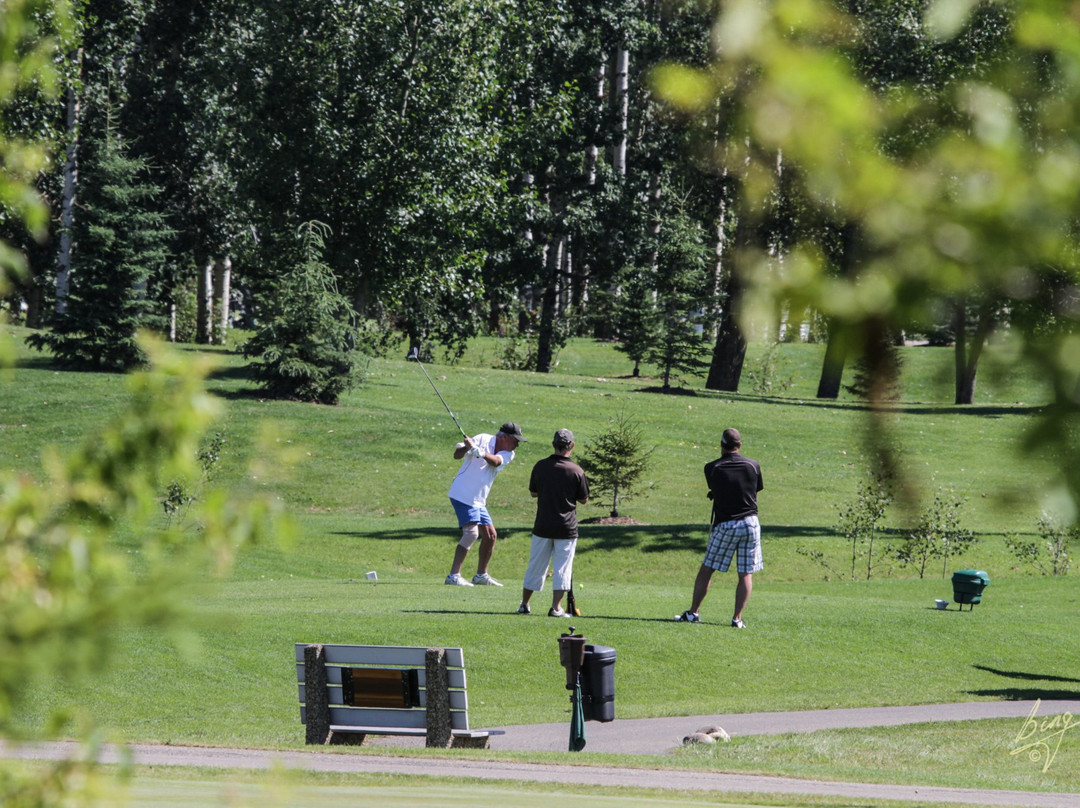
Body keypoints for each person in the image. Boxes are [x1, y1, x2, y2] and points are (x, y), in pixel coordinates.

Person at [676, 427, 763, 627]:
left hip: (727, 523)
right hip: (751, 522)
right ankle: (737, 619)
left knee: (707, 569)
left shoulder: (712, 467)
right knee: (745, 573)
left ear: (722, 446)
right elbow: (753, 494)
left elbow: (719, 489)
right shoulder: (754, 466)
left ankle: (693, 613)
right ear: (739, 445)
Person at [444, 422, 526, 587]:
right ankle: (453, 576)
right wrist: (468, 448)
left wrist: (480, 452)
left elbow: (495, 462)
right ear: (504, 437)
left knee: (490, 536)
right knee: (472, 533)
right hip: (463, 494)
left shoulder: (509, 454)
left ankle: (481, 575)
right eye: (515, 440)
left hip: (478, 500)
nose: (517, 444)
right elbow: (457, 455)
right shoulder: (482, 438)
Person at [518, 429, 589, 617]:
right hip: (566, 527)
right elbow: (583, 499)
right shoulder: (576, 471)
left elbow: (533, 492)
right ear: (571, 446)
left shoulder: (540, 466)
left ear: (553, 444)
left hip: (542, 524)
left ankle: (525, 604)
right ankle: (556, 608)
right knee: (562, 568)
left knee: (535, 566)